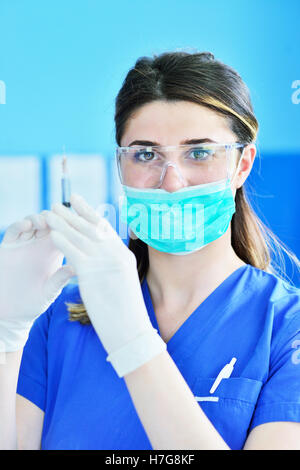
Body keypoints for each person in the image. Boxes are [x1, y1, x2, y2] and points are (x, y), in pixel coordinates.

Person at [0, 51, 300, 451]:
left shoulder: (286, 328)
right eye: (146, 154)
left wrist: (135, 343)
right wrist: (6, 335)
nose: (172, 182)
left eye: (199, 152)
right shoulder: (59, 319)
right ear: (121, 166)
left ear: (242, 164)